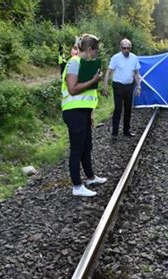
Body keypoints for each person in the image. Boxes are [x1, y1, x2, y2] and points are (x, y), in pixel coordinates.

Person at [61, 34, 107, 197]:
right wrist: (93, 79)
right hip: (74, 112)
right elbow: (73, 88)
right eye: (95, 51)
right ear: (88, 49)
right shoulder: (74, 63)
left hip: (83, 112)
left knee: (87, 147)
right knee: (77, 149)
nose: (96, 54)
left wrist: (90, 113)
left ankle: (90, 177)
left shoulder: (83, 63)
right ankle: (77, 186)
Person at [102, 38, 141, 140]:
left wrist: (139, 86)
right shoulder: (115, 58)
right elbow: (108, 72)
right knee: (118, 109)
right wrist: (105, 87)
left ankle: (126, 130)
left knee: (128, 109)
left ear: (130, 48)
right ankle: (114, 132)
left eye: (128, 48)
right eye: (124, 48)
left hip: (129, 85)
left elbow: (136, 73)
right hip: (118, 85)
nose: (126, 50)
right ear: (121, 48)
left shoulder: (134, 58)